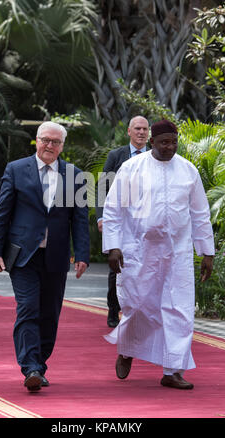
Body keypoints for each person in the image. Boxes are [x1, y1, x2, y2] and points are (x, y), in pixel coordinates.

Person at [102, 119, 214, 390]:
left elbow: (200, 213)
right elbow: (114, 209)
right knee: (138, 305)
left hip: (178, 252)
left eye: (173, 142)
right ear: (152, 142)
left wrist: (207, 252)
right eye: (164, 142)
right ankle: (127, 349)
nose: (169, 147)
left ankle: (173, 370)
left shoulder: (188, 170)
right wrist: (113, 246)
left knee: (180, 309)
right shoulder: (131, 168)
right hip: (139, 250)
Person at [0, 121, 90, 392]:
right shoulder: (16, 169)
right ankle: (30, 366)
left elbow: (79, 220)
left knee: (50, 314)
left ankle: (39, 365)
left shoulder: (75, 175)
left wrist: (82, 254)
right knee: (28, 308)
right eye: (45, 140)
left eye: (55, 142)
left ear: (62, 146)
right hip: (23, 255)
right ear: (36, 140)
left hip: (56, 256)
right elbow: (3, 213)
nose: (49, 145)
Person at [95, 116, 150, 327]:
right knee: (116, 267)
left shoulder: (156, 157)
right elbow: (102, 188)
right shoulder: (117, 156)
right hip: (120, 220)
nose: (141, 132)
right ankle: (113, 310)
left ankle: (140, 312)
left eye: (145, 129)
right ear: (129, 131)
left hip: (146, 222)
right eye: (137, 128)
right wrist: (102, 217)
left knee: (146, 268)